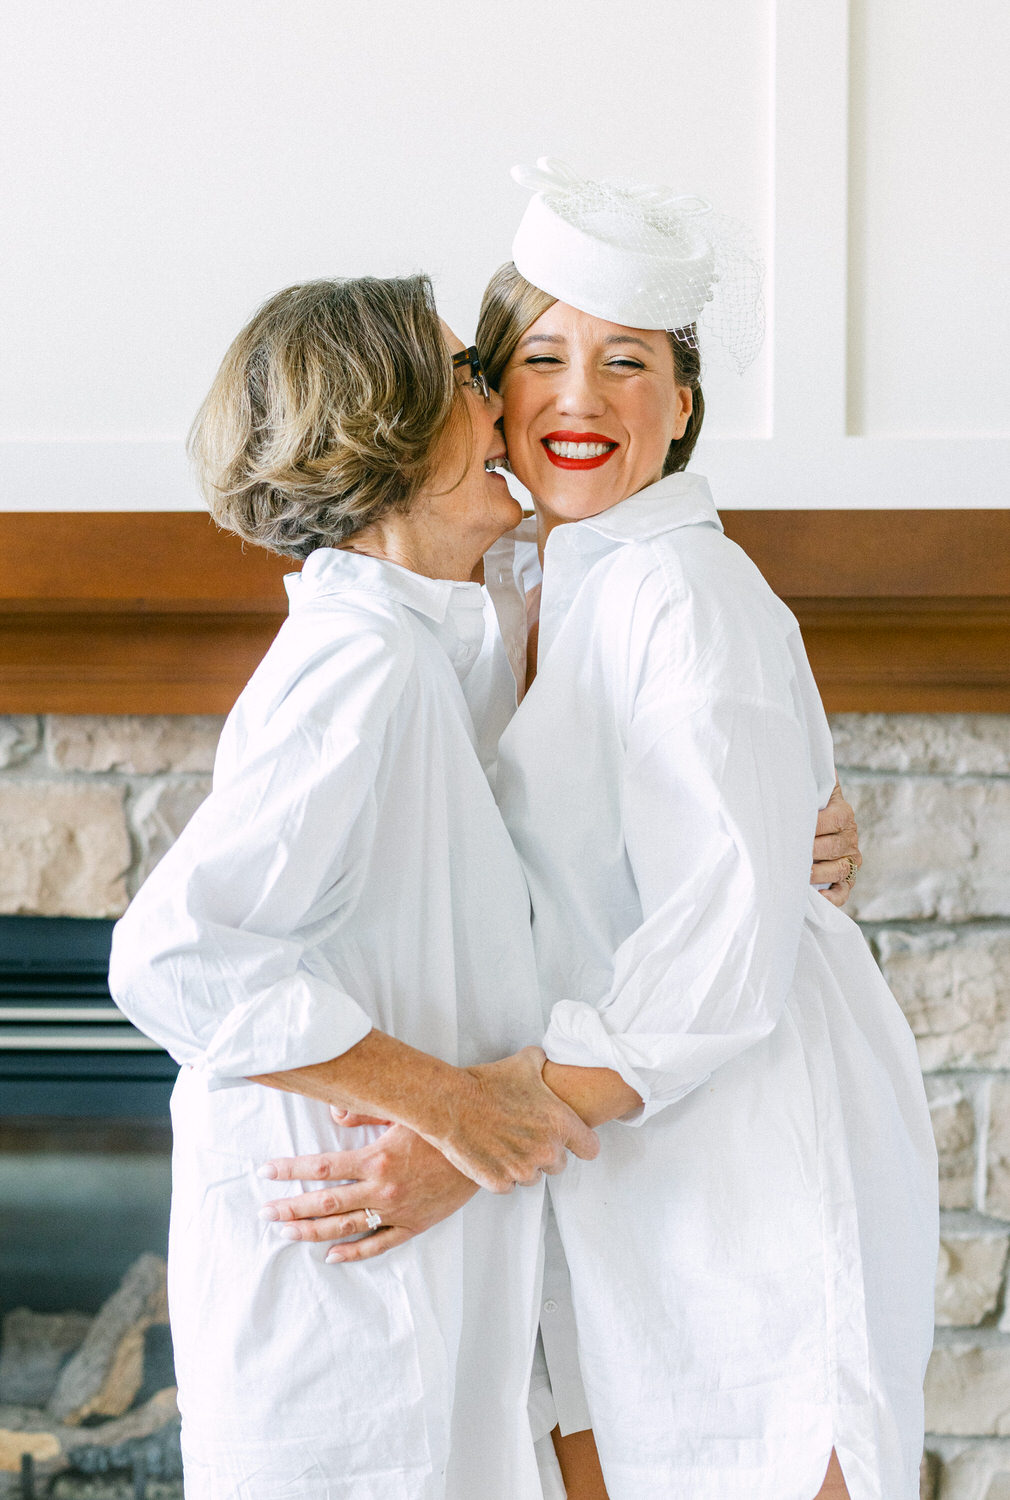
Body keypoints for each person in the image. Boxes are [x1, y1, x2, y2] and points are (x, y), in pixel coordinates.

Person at [267, 164, 936, 1500]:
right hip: (611, 1150)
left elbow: (721, 950)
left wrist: (476, 1130)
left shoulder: (681, 594)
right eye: (544, 356)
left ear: (680, 407)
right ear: (483, 399)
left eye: (626, 362)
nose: (579, 397)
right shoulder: (506, 577)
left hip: (735, 1136)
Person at [107, 273, 602, 1500]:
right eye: (468, 380)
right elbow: (171, 956)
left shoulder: (424, 649)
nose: (502, 406)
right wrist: (450, 1105)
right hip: (343, 1349)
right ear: (384, 428)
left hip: (407, 1315)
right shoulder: (358, 667)